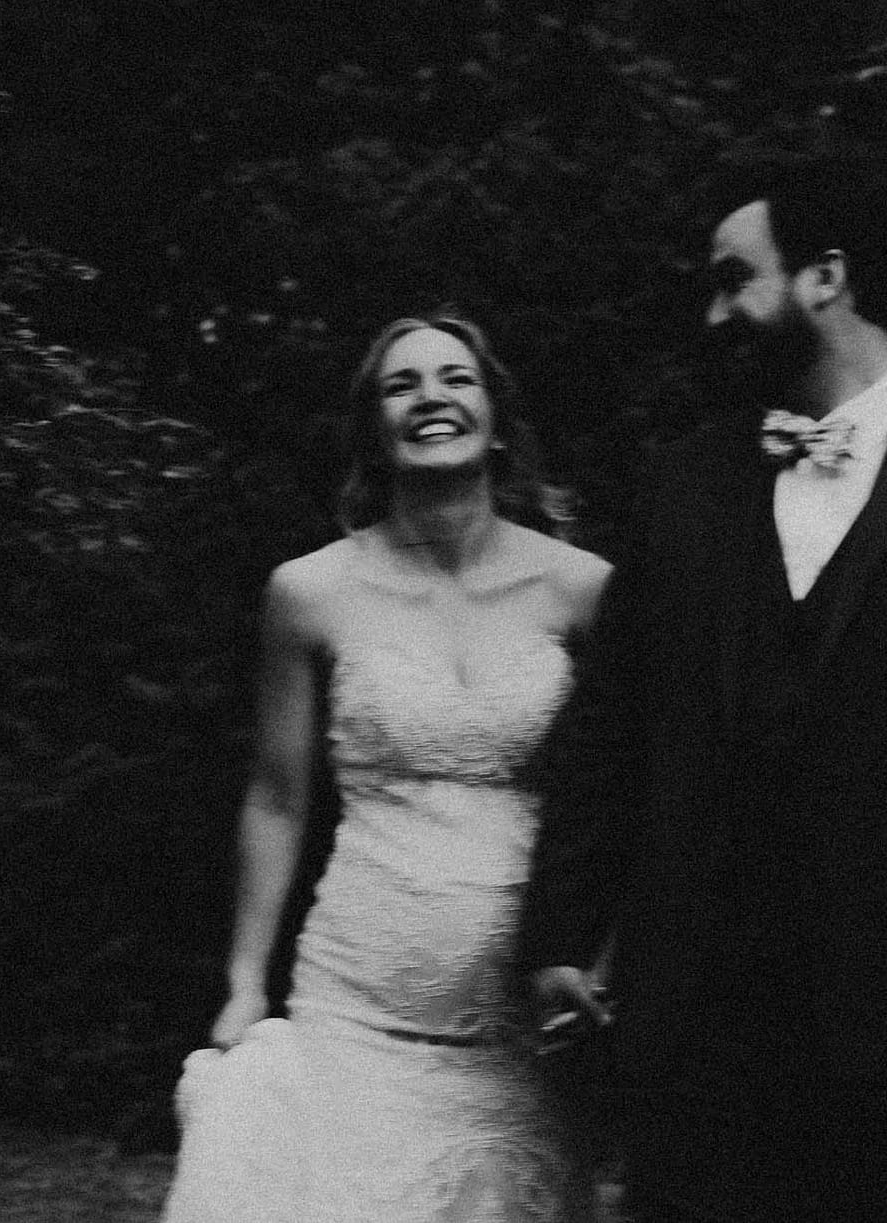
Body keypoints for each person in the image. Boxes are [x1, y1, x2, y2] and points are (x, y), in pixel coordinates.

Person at [518, 166, 887, 1223]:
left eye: (733, 279)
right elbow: (608, 730)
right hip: (693, 1029)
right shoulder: (681, 484)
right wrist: (560, 934)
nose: (713, 315)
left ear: (825, 277)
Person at [163, 311, 610, 1223]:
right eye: (402, 385)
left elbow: (625, 796)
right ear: (374, 429)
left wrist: (601, 961)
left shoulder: (582, 588)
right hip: (351, 1006)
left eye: (455, 378)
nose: (430, 398)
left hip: (521, 1026)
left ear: (495, 416)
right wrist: (244, 983)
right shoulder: (309, 591)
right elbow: (278, 798)